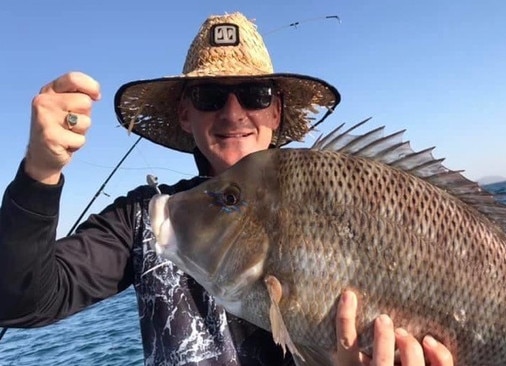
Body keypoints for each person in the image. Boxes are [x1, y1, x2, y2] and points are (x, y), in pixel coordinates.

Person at [0, 12, 453, 366]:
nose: (233, 113)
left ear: (275, 111)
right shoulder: (147, 218)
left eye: (254, 94)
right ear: (184, 114)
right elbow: (22, 301)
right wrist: (40, 173)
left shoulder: (338, 189)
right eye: (210, 95)